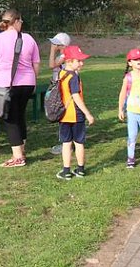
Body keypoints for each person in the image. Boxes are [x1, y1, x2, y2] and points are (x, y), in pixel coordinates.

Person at [0, 9, 40, 168]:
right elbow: (36, 64)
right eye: (21, 21)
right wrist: (33, 80)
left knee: (10, 120)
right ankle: (22, 150)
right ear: (16, 21)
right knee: (20, 116)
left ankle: (17, 157)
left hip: (6, 84)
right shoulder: (29, 38)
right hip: (27, 84)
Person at [55, 45, 96, 179]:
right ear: (69, 61)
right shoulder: (73, 77)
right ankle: (80, 169)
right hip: (76, 115)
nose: (81, 63)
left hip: (63, 115)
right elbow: (76, 96)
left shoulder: (61, 73)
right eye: (78, 61)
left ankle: (66, 171)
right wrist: (88, 114)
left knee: (66, 143)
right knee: (79, 143)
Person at [48, 32, 71, 156]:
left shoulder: (65, 55)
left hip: (62, 88)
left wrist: (52, 50)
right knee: (62, 114)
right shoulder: (63, 54)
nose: (54, 45)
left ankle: (65, 144)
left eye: (56, 43)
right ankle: (65, 142)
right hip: (60, 86)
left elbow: (51, 65)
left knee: (62, 114)